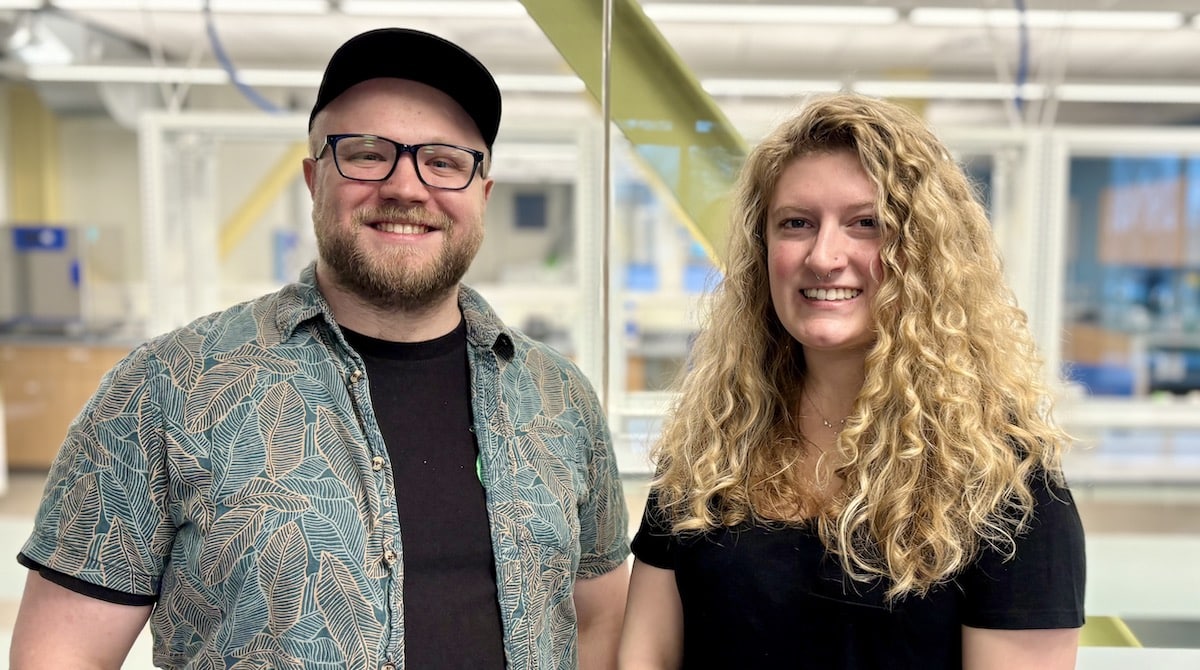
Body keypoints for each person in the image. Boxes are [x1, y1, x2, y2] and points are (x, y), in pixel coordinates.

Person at [11, 27, 630, 670]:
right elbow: (60, 654)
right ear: (314, 179)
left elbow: (601, 621)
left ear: (483, 193)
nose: (406, 187)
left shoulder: (561, 400)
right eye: (367, 154)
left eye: (444, 162)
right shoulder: (168, 388)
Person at [618, 93, 1085, 670]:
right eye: (797, 223)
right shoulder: (711, 447)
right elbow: (645, 656)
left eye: (867, 224)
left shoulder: (1005, 480)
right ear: (764, 249)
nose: (823, 256)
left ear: (925, 254)